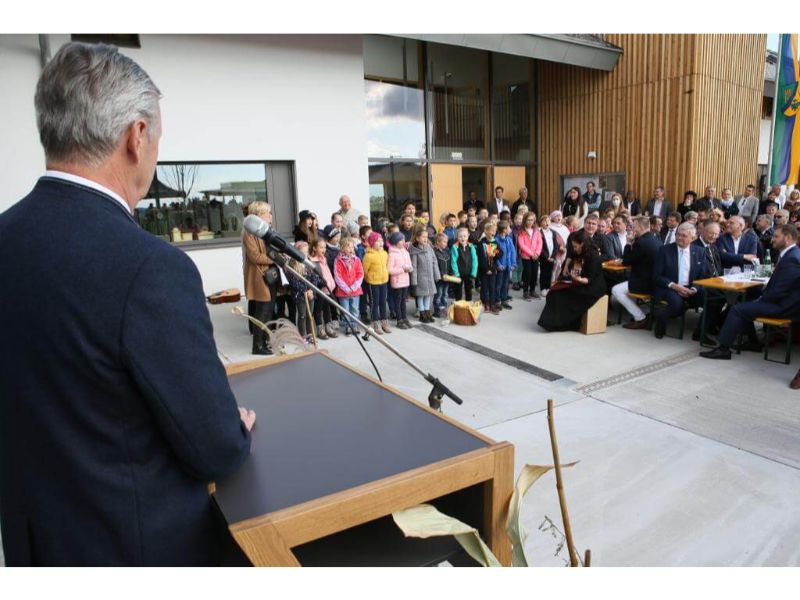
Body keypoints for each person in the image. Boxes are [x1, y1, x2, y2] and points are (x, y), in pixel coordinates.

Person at [0, 42, 253, 567]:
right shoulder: (150, 268)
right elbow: (214, 447)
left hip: (33, 546)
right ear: (136, 137)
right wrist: (233, 427)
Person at [700, 224, 800, 360]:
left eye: (776, 236)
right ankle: (753, 342)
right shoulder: (791, 254)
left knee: (737, 309)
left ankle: (723, 349)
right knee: (744, 301)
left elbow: (779, 292)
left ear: (788, 238)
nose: (772, 240)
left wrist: (761, 299)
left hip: (784, 307)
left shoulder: (792, 258)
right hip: (782, 302)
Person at [537, 230, 606, 331]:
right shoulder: (580, 250)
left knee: (562, 295)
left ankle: (564, 324)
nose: (574, 248)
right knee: (554, 291)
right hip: (581, 281)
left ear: (582, 244)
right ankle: (551, 322)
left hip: (592, 287)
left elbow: (589, 279)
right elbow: (573, 257)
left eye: (575, 246)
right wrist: (567, 268)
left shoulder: (593, 257)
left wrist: (578, 279)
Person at [652, 223, 707, 339]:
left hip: (690, 288)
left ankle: (701, 332)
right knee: (677, 304)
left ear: (693, 238)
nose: (679, 238)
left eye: (684, 236)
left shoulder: (699, 252)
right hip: (669, 287)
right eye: (678, 235)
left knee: (711, 300)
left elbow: (702, 276)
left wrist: (694, 289)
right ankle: (661, 321)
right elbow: (656, 276)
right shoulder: (665, 250)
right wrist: (674, 286)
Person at [612, 216, 662, 329]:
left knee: (616, 290)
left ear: (639, 228)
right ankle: (640, 313)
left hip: (644, 283)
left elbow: (626, 261)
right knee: (624, 287)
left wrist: (628, 243)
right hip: (655, 281)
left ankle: (640, 317)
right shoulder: (657, 240)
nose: (632, 230)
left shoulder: (641, 243)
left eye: (634, 228)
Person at [243, 201, 277, 355]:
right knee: (261, 312)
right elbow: (255, 256)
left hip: (270, 275)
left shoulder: (266, 231)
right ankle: (257, 346)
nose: (270, 216)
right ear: (258, 215)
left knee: (269, 310)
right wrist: (275, 259)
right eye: (266, 213)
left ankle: (265, 341)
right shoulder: (249, 232)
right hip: (259, 276)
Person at [286, 240, 320, 343]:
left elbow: (315, 278)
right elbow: (293, 281)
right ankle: (303, 336)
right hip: (300, 295)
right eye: (302, 252)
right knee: (302, 315)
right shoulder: (291, 264)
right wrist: (305, 291)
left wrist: (311, 290)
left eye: (306, 251)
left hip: (310, 294)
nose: (305, 254)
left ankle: (311, 334)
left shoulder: (308, 262)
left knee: (311, 315)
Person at [333, 238, 364, 336]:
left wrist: (354, 287)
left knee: (355, 308)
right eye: (348, 246)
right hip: (343, 291)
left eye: (352, 246)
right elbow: (337, 276)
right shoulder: (338, 260)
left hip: (355, 290)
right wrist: (346, 288)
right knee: (345, 310)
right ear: (342, 248)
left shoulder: (357, 260)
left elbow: (360, 274)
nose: (351, 248)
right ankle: (348, 326)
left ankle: (354, 325)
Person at [409, 226, 441, 323]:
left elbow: (434, 261)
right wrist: (414, 280)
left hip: (430, 277)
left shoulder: (429, 248)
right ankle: (422, 314)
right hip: (420, 278)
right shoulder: (414, 251)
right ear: (417, 238)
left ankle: (427, 313)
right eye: (423, 237)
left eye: (426, 237)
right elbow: (413, 267)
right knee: (421, 296)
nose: (425, 239)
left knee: (428, 295)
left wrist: (437, 275)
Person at [362, 231, 391, 334]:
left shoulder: (384, 253)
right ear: (372, 242)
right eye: (378, 241)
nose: (380, 243)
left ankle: (384, 321)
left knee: (383, 301)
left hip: (383, 281)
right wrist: (369, 277)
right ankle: (375, 322)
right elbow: (364, 270)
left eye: (381, 240)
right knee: (375, 302)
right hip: (373, 282)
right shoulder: (368, 256)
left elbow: (386, 265)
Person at [309, 239, 339, 339]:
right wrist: (320, 283)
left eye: (325, 247)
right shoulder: (312, 261)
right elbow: (313, 276)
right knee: (318, 309)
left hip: (328, 289)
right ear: (314, 248)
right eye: (321, 247)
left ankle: (328, 326)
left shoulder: (324, 259)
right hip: (320, 290)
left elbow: (327, 273)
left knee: (327, 308)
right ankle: (320, 328)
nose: (324, 249)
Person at [388, 231, 413, 329]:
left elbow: (410, 264)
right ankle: (399, 320)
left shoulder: (405, 252)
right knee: (398, 302)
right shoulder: (392, 254)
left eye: (403, 240)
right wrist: (402, 269)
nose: (403, 242)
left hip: (405, 281)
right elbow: (389, 270)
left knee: (403, 301)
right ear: (395, 241)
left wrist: (410, 268)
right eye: (400, 240)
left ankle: (405, 318)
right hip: (397, 282)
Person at [517, 213, 543, 301]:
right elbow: (522, 245)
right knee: (528, 274)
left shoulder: (536, 231)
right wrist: (532, 254)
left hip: (536, 256)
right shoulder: (521, 231)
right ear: (525, 220)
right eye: (528, 220)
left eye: (531, 220)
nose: (530, 222)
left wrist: (537, 253)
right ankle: (525, 292)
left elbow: (540, 242)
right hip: (526, 257)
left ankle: (532, 290)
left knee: (535, 274)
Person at [537, 214, 564, 296]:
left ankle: (548, 287)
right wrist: (546, 257)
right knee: (543, 272)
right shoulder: (539, 232)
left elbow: (556, 245)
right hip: (544, 257)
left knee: (550, 272)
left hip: (552, 256)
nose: (546, 223)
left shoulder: (553, 232)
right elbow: (540, 246)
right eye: (544, 221)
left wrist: (553, 256)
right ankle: (543, 288)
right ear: (541, 223)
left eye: (548, 221)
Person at [450, 227, 478, 301]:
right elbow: (453, 261)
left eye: (465, 236)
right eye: (460, 236)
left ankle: (468, 305)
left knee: (468, 290)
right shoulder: (455, 247)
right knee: (458, 291)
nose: (463, 238)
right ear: (457, 237)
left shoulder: (471, 247)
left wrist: (474, 272)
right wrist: (456, 273)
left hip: (469, 273)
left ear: (468, 236)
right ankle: (458, 305)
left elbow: (475, 260)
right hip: (458, 274)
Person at [495, 221, 517, 309]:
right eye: (509, 228)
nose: (510, 229)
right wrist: (498, 265)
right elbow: (494, 255)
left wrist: (513, 263)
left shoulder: (509, 240)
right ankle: (497, 300)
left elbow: (512, 252)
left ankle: (504, 300)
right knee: (498, 284)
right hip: (500, 268)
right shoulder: (496, 240)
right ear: (504, 230)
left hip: (507, 267)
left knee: (505, 284)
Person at [433, 233, 451, 317]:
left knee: (445, 294)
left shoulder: (447, 251)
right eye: (444, 242)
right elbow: (435, 266)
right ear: (438, 242)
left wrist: (450, 274)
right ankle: (437, 310)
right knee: (438, 294)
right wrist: (440, 275)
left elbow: (450, 264)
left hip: (447, 278)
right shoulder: (435, 252)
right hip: (440, 278)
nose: (445, 244)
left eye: (446, 242)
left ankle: (444, 308)